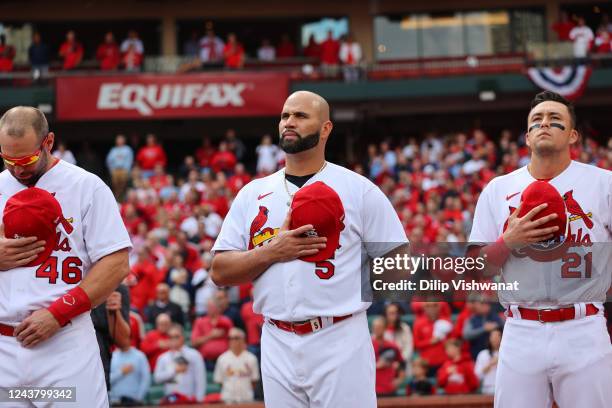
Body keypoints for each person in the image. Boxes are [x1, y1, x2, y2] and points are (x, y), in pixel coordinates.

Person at [211, 90, 408, 407]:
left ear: (326, 128)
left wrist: (344, 284)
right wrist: (272, 251)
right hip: (276, 337)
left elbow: (399, 264)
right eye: (285, 116)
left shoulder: (358, 190)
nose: (289, 122)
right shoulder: (253, 193)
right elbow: (220, 271)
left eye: (301, 116)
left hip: (339, 336)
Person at [468, 91, 612, 407]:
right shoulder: (498, 189)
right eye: (536, 121)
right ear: (528, 136)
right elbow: (477, 268)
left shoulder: (604, 184)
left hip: (584, 327)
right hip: (521, 328)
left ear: (573, 135)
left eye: (555, 120)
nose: (544, 124)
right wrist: (508, 241)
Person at [0, 106, 132, 407]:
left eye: (26, 159)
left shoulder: (86, 186)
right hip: (3, 347)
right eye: (8, 160)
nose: (18, 169)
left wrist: (58, 314)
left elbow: (116, 263)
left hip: (63, 343)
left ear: (48, 142)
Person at [91, 286, 132, 392]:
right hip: (64, 366)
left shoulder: (116, 287)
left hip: (99, 371)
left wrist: (114, 311)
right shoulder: (63, 285)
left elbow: (123, 343)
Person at [154, 324, 206, 403]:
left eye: (176, 336)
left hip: (189, 399)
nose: (173, 339)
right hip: (170, 399)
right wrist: (174, 371)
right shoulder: (163, 358)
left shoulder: (194, 355)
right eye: (170, 337)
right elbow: (157, 378)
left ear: (183, 337)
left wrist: (199, 399)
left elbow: (200, 379)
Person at [213, 328, 260, 403]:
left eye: (236, 338)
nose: (232, 340)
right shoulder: (222, 359)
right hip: (228, 400)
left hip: (246, 400)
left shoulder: (252, 358)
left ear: (243, 340)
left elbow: (254, 381)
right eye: (230, 338)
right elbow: (220, 381)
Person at [109, 340, 151, 406]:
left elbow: (146, 378)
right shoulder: (112, 357)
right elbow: (107, 380)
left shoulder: (140, 356)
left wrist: (138, 398)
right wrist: (121, 372)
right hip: (116, 402)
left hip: (134, 401)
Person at [106, 134, 134, 200]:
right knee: (115, 185)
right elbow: (108, 160)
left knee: (123, 185)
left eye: (121, 139)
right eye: (118, 139)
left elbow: (130, 160)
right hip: (115, 170)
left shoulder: (127, 149)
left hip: (124, 170)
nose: (119, 141)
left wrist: (127, 170)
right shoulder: (113, 150)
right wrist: (111, 170)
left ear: (124, 140)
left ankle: (121, 197)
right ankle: (117, 197)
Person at [474, 328, 502, 395]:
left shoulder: (506, 354)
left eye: (497, 336)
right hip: (487, 389)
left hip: (503, 388)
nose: (494, 339)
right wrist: (490, 364)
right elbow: (477, 375)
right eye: (492, 336)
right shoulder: (483, 354)